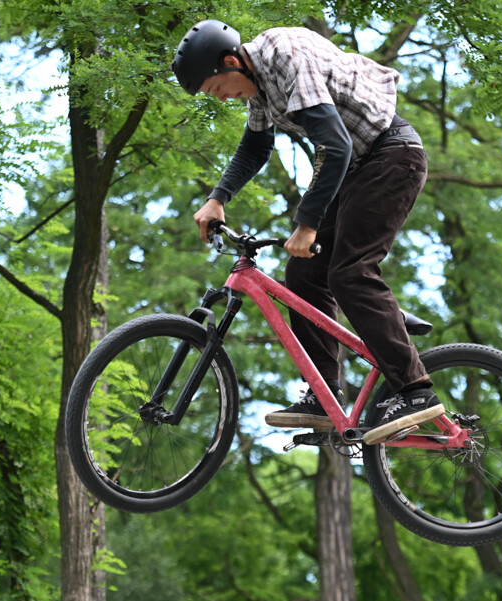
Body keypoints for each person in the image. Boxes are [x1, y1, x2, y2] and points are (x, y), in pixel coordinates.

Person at [171, 20, 444, 445]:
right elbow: (256, 146)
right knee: (303, 277)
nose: (222, 98)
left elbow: (335, 146)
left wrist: (308, 222)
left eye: (216, 88)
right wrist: (218, 197)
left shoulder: (284, 53)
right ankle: (324, 395)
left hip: (392, 156)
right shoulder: (258, 83)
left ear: (230, 62)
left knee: (350, 272)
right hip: (360, 168)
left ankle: (415, 391)